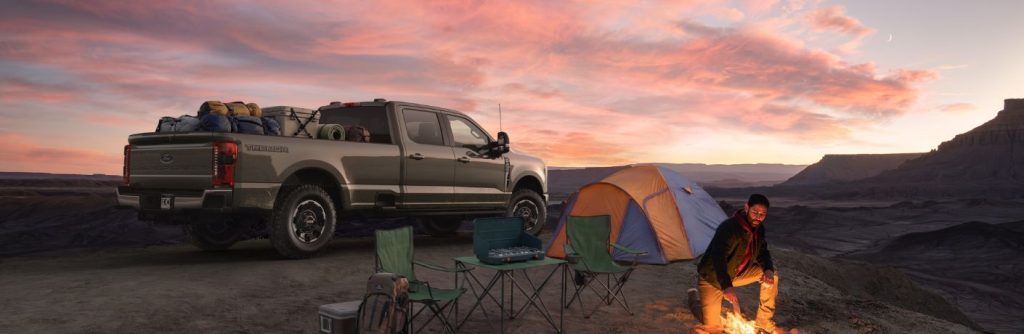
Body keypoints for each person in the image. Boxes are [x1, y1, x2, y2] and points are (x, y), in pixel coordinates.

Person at [696, 194, 780, 334]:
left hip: (735, 275)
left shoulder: (759, 229)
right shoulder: (728, 228)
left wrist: (768, 270)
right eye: (755, 212)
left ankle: (764, 321)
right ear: (746, 208)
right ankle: (693, 299)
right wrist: (727, 286)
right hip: (712, 279)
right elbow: (718, 258)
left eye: (762, 214)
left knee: (772, 275)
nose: (758, 217)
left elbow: (762, 252)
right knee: (713, 327)